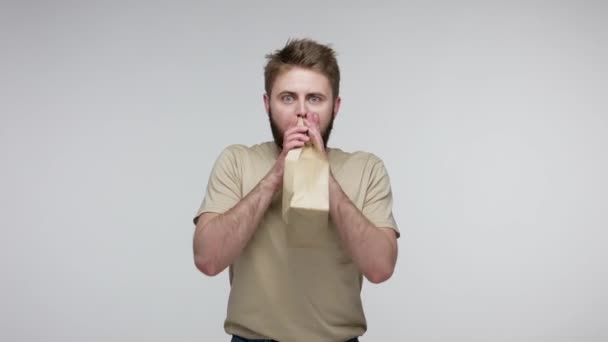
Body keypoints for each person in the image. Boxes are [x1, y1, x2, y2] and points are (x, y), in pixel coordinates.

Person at [192, 38, 400, 342]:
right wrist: (276, 174)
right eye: (288, 98)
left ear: (336, 107)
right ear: (267, 104)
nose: (301, 112)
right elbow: (208, 260)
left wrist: (323, 174)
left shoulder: (366, 168)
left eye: (315, 98)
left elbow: (381, 268)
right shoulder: (237, 161)